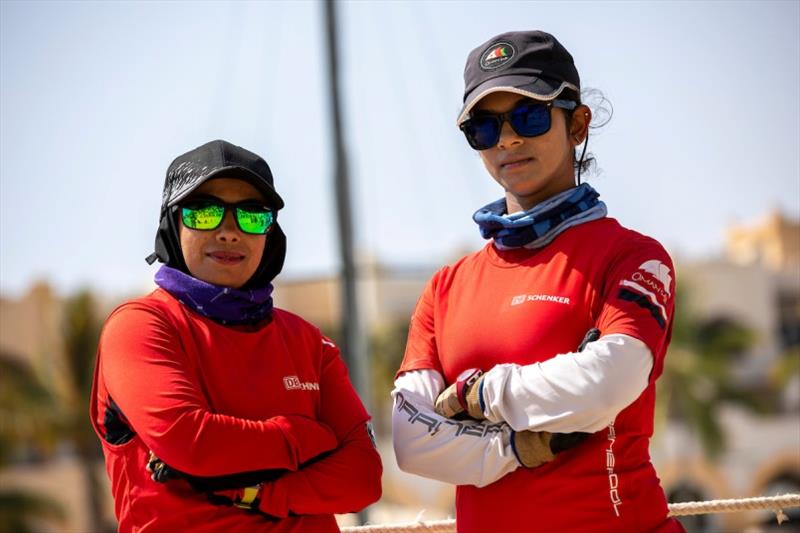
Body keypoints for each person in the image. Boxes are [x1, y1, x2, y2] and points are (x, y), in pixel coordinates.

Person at [391, 31, 684, 533]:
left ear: (577, 123)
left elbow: (608, 381)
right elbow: (411, 441)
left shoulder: (635, 257)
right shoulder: (445, 287)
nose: (506, 140)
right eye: (484, 127)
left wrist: (479, 396)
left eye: (528, 116)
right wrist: (518, 448)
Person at [89, 140, 382, 532]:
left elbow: (363, 477)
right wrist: (305, 437)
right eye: (206, 213)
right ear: (173, 224)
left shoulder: (309, 342)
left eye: (252, 215)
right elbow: (192, 442)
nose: (229, 232)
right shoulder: (140, 326)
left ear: (270, 234)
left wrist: (259, 493)